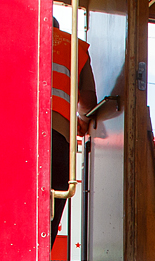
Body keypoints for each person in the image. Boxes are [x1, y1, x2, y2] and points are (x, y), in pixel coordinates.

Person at [51, 18, 95, 246]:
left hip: (16, 137)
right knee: (53, 197)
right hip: (58, 137)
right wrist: (82, 120)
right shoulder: (74, 46)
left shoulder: (17, 38)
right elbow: (88, 100)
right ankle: (43, 252)